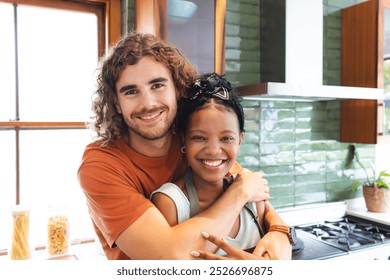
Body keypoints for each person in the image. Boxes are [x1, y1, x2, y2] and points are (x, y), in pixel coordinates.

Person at [77, 31, 292, 260]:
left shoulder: (190, 139)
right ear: (116, 104)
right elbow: (169, 257)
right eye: (131, 91)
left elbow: (252, 191)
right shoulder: (101, 165)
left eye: (157, 85)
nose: (148, 103)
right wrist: (239, 194)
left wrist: (281, 233)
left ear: (177, 88)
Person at [151, 72, 270, 258]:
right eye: (199, 137)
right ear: (184, 140)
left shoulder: (254, 197)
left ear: (240, 140)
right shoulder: (171, 203)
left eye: (226, 138)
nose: (214, 150)